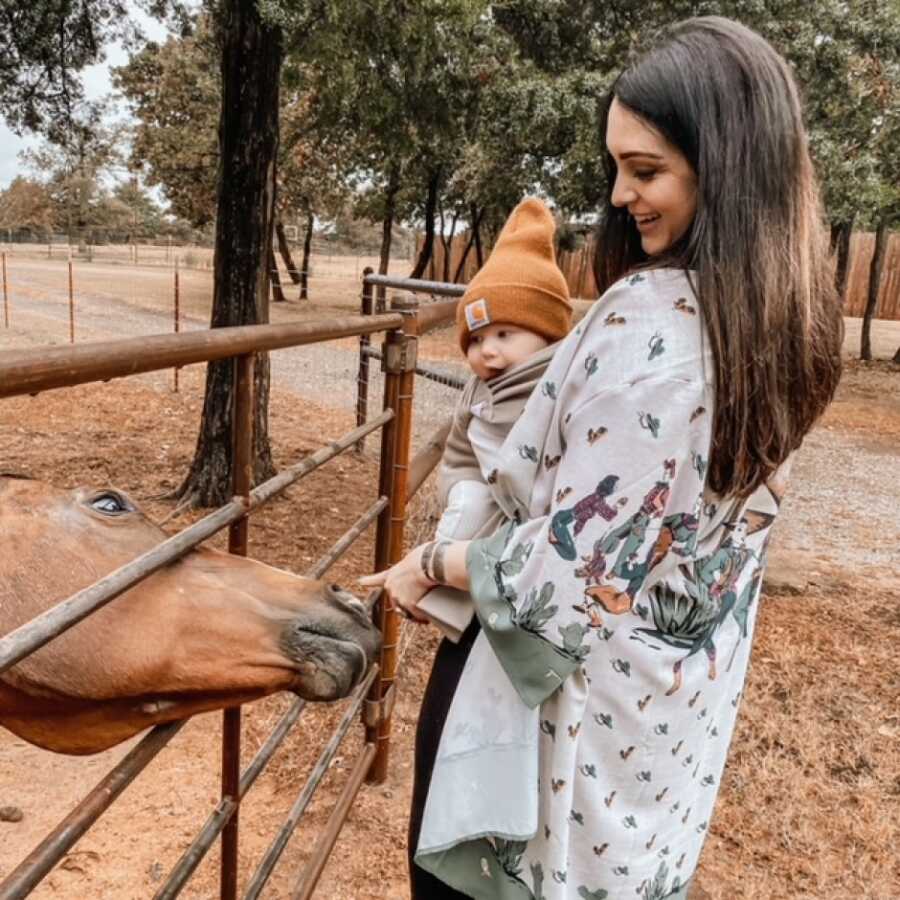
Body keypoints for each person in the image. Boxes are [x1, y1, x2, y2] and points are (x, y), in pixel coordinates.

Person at [361, 16, 843, 900]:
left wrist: (423, 563)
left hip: (562, 726)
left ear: (728, 165)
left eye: (647, 170)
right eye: (617, 167)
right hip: (668, 723)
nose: (620, 194)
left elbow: (563, 578)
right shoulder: (782, 334)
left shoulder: (648, 325)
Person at [416, 196, 573, 642]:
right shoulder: (478, 391)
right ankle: (439, 598)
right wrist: (459, 489)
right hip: (485, 506)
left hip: (538, 529)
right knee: (469, 510)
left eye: (506, 334)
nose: (488, 350)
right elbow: (460, 450)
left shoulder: (561, 386)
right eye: (476, 339)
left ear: (547, 333)